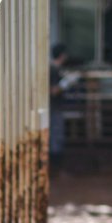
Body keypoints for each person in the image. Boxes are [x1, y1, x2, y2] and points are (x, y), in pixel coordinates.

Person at [49, 44, 70, 172]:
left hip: (55, 107)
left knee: (56, 137)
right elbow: (53, 91)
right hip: (53, 107)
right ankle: (56, 169)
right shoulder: (53, 70)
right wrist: (65, 84)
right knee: (56, 137)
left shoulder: (56, 69)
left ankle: (56, 168)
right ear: (62, 55)